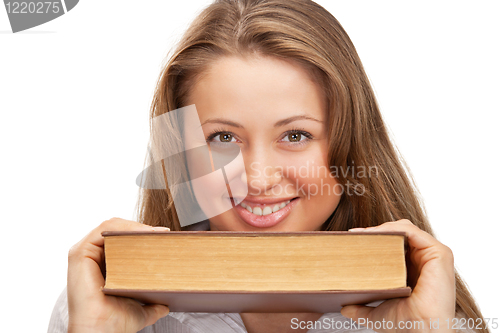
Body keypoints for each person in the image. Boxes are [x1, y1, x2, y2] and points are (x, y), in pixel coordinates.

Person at [48, 0, 489, 332]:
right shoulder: (101, 306)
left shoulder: (425, 309)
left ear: (350, 144)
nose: (257, 177)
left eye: (295, 136)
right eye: (223, 138)